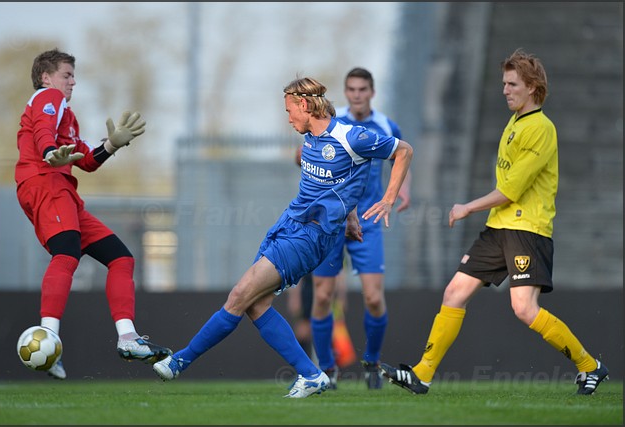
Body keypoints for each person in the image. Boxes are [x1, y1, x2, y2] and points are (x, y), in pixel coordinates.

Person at [152, 76, 413, 398]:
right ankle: (311, 374)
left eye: (290, 110)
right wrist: (349, 214)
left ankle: (180, 360)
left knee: (239, 295)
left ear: (305, 105)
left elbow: (404, 150)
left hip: (310, 237)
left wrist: (387, 199)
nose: (288, 118)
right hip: (287, 225)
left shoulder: (351, 136)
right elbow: (343, 183)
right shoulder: (310, 140)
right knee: (255, 304)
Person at [379, 48, 609, 396]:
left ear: (532, 87)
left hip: (527, 229)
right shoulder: (515, 122)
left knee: (524, 309)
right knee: (454, 292)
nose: (505, 89)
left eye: (513, 84)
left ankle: (589, 365)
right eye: (503, 83)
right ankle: (423, 374)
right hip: (500, 227)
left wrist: (467, 208)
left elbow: (512, 189)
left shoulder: (541, 128)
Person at [15, 48, 172, 379]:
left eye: (73, 75)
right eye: (66, 74)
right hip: (45, 183)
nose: (73, 81)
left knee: (120, 258)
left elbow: (85, 161)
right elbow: (44, 134)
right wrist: (48, 153)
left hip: (64, 192)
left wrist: (112, 145)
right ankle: (48, 336)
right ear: (46, 77)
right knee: (67, 253)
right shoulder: (49, 97)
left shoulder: (67, 115)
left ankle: (128, 338)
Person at [305, 67, 411, 390]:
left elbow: (402, 156)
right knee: (322, 296)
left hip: (368, 221)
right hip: (332, 222)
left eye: (363, 89)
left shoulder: (384, 125)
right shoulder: (335, 124)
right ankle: (327, 370)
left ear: (372, 92)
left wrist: (401, 191)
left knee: (373, 298)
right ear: (346, 92)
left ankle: (372, 362)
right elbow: (306, 154)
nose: (357, 94)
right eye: (351, 89)